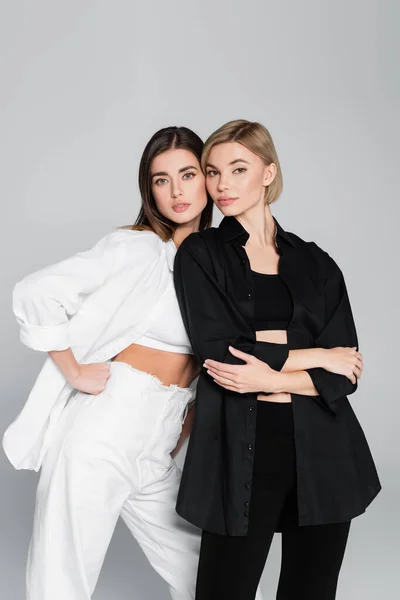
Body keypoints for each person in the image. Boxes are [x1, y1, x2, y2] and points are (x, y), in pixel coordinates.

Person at [173, 120, 381, 600]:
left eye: (238, 169)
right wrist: (318, 356)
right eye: (212, 171)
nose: (222, 184)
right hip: (241, 448)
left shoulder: (316, 262)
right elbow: (219, 349)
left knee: (311, 591)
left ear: (268, 173)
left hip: (324, 450)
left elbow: (346, 374)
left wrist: (270, 373)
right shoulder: (201, 255)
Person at [3, 126, 213, 600]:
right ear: (149, 190)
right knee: (61, 582)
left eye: (188, 174)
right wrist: (73, 371)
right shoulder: (137, 248)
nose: (177, 191)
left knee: (212, 576)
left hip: (160, 441)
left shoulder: (218, 262)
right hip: (105, 427)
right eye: (162, 180)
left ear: (208, 179)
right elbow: (36, 292)